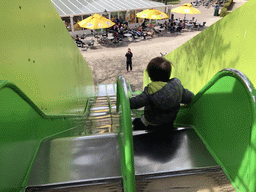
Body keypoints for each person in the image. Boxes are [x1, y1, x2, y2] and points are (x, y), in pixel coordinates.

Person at [130, 57, 194, 131]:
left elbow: (137, 102)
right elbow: (189, 97)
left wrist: (127, 102)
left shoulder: (151, 90)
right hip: (169, 122)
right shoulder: (177, 87)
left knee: (135, 123)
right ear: (169, 74)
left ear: (150, 76)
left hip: (152, 123)